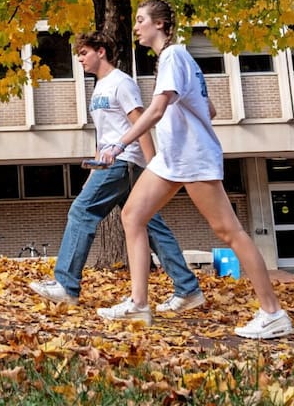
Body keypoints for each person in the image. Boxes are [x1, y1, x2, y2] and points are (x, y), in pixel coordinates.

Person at [96, 0, 294, 339]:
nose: (137, 26)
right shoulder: (176, 59)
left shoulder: (173, 56)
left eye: (141, 20)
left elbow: (157, 110)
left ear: (159, 24)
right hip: (172, 159)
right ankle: (139, 304)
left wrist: (119, 143)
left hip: (192, 158)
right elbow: (210, 109)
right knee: (132, 216)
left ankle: (273, 313)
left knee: (228, 231)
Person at [29, 31, 205, 314]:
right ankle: (187, 289)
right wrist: (94, 169)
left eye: (84, 53)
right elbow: (105, 135)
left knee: (81, 212)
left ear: (101, 51)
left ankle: (66, 285)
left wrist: (152, 168)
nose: (80, 59)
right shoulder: (98, 88)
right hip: (111, 162)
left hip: (124, 162)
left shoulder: (122, 83)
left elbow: (141, 123)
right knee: (150, 224)